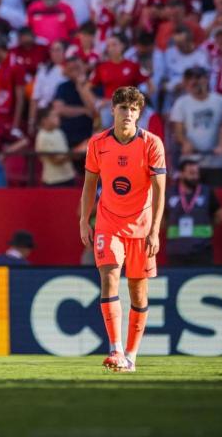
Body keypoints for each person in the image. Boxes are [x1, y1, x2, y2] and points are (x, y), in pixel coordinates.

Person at [80, 86, 166, 372]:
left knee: (138, 291)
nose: (127, 113)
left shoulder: (152, 144)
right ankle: (115, 348)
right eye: (122, 108)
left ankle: (131, 355)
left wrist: (154, 230)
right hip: (108, 222)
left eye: (133, 109)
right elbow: (90, 184)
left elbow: (160, 189)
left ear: (139, 113)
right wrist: (84, 219)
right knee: (109, 278)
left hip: (141, 226)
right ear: (113, 111)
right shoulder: (98, 143)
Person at [164, 158, 222, 266]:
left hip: (202, 250)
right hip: (176, 251)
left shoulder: (207, 192)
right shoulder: (169, 193)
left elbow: (219, 216)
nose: (195, 177)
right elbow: (161, 217)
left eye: (197, 173)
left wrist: (207, 228)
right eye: (191, 173)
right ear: (181, 174)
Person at [35, 107, 76, 187]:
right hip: (54, 182)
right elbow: (56, 160)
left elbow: (66, 153)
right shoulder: (42, 137)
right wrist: (78, 150)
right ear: (44, 120)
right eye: (54, 116)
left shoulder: (59, 132)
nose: (58, 118)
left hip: (69, 177)